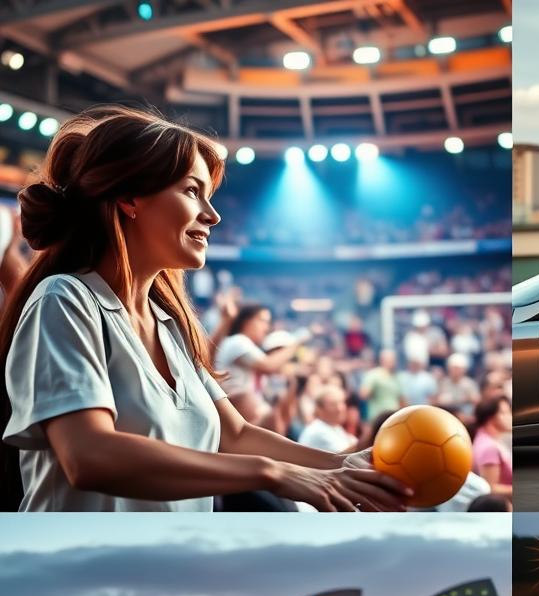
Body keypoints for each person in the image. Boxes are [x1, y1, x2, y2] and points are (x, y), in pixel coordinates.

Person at [0, 105, 410, 513]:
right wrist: (273, 474)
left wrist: (342, 466)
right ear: (129, 198)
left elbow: (234, 434)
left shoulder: (170, 327)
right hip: (79, 574)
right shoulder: (65, 300)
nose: (211, 216)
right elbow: (88, 454)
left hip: (175, 570)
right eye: (192, 191)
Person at [213, 304, 297, 424]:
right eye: (263, 321)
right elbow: (268, 366)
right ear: (247, 321)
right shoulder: (238, 341)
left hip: (249, 415)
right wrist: (293, 346)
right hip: (237, 416)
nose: (267, 327)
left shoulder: (248, 346)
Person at [471, 395, 512, 499]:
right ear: (491, 418)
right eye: (505, 413)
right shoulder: (489, 447)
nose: (510, 416)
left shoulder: (486, 439)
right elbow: (490, 488)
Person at [297, 385, 358, 453]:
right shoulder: (318, 431)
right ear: (320, 409)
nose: (340, 408)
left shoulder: (333, 426)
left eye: (341, 402)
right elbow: (349, 456)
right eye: (333, 404)